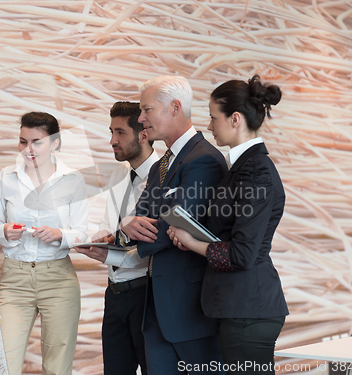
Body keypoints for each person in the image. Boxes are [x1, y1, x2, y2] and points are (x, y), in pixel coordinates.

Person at [167, 75, 289, 375]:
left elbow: (242, 254)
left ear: (235, 119)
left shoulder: (256, 171)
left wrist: (192, 241)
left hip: (249, 307)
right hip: (241, 306)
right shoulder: (244, 167)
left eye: (212, 117)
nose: (208, 126)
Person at [121, 76, 228, 374]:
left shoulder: (205, 160)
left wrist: (136, 227)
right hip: (155, 308)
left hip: (189, 310)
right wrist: (127, 224)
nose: (141, 119)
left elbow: (177, 223)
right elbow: (138, 217)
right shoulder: (159, 165)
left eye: (147, 110)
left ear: (175, 108)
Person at [0, 112, 88, 375]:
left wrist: (59, 235)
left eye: (36, 142)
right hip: (15, 279)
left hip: (58, 279)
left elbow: (82, 233)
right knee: (3, 362)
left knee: (57, 365)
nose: (28, 149)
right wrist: (4, 231)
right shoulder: (6, 177)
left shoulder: (73, 179)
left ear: (55, 143)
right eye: (22, 141)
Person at [74, 101, 159, 375]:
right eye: (111, 131)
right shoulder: (120, 173)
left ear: (143, 134)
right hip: (114, 294)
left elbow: (154, 250)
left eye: (120, 132)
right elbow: (107, 226)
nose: (112, 140)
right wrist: (98, 239)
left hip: (147, 296)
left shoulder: (163, 179)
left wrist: (107, 253)